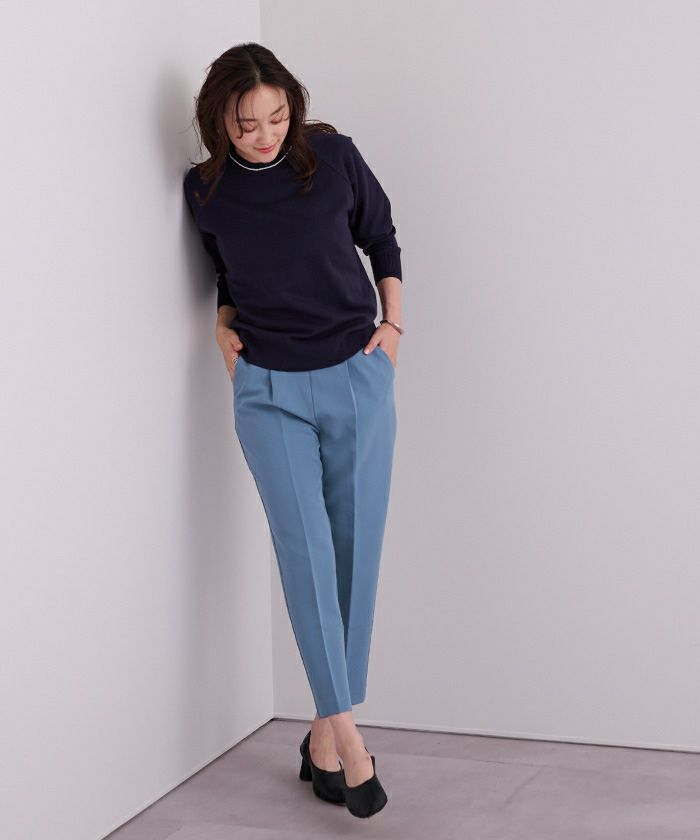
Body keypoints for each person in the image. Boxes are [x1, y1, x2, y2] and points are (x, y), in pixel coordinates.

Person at [183, 42, 403, 819]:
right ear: (218, 121)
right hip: (268, 389)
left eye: (277, 117)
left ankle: (318, 737)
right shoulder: (205, 189)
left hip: (356, 374)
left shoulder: (333, 159)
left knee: (352, 557)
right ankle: (350, 742)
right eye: (246, 124)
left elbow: (382, 235)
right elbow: (225, 269)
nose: (265, 135)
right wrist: (222, 323)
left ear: (293, 108)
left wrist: (394, 327)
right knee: (305, 552)